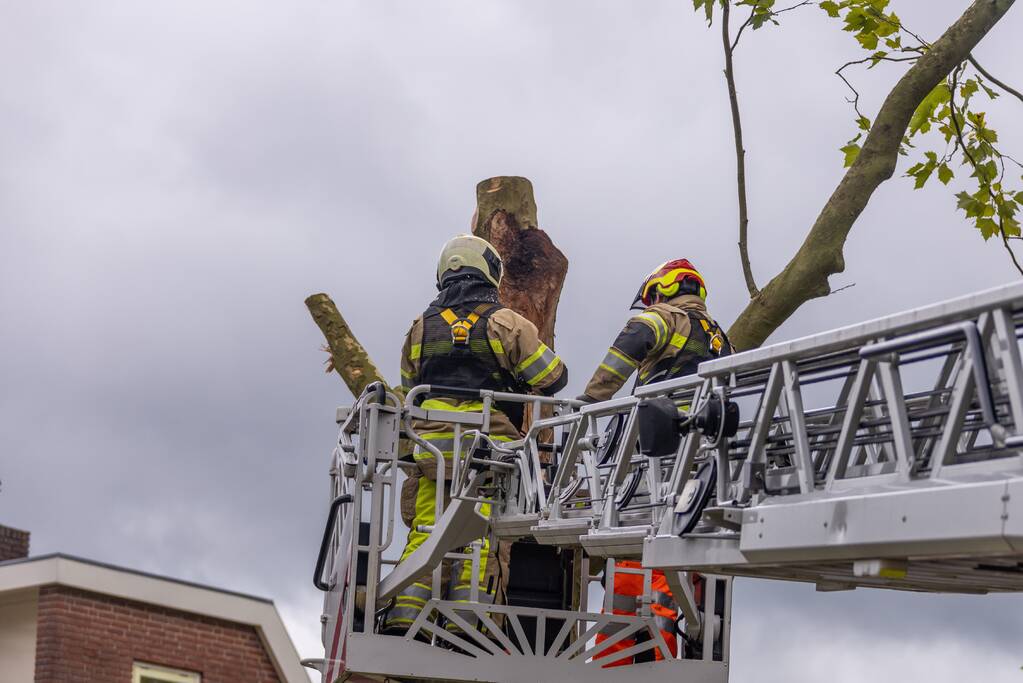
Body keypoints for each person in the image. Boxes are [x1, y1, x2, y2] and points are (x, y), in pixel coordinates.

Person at [382, 234, 568, 636]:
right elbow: (552, 378)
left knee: (426, 533)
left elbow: (409, 388)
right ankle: (465, 628)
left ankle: (404, 619)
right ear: (490, 271)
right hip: (485, 455)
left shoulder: (420, 328)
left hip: (433, 455)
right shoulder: (508, 324)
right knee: (476, 541)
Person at [583, 259, 733, 666]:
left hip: (658, 457)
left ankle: (625, 662)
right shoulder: (719, 336)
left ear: (662, 290)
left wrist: (588, 403)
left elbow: (625, 350)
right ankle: (678, 654)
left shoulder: (663, 318)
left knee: (637, 560)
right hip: (703, 464)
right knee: (686, 559)